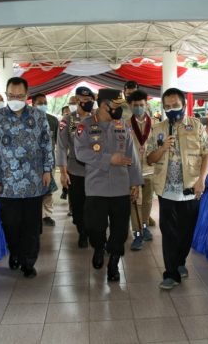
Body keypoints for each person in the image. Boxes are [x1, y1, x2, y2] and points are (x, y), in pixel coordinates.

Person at [0, 77, 53, 278]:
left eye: (19, 96)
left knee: (31, 226)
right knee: (11, 224)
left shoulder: (39, 117)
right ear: (6, 95)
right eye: (11, 95)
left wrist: (47, 170)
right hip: (6, 184)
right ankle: (15, 252)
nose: (15, 99)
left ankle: (28, 262)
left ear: (27, 96)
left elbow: (47, 145)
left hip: (33, 182)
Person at [147, 88, 208, 290]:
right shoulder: (157, 129)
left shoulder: (196, 126)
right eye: (167, 106)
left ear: (184, 104)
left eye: (175, 105)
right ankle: (171, 273)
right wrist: (162, 148)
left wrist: (202, 180)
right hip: (165, 190)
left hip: (190, 189)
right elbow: (149, 159)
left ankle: (181, 260)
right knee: (168, 232)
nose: (171, 109)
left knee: (186, 232)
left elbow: (207, 154)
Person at [74, 88, 143, 281]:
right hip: (96, 187)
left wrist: (135, 182)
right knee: (94, 227)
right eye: (115, 105)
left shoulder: (122, 126)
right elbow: (80, 153)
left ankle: (113, 261)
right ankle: (98, 247)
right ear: (104, 105)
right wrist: (108, 159)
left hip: (121, 187)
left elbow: (132, 156)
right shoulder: (84, 126)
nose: (119, 109)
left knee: (120, 230)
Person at [56, 86, 95, 248]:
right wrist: (63, 173)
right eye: (83, 100)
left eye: (89, 100)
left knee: (95, 205)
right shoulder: (69, 120)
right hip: (76, 171)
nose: (86, 103)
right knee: (79, 206)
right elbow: (62, 147)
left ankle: (94, 233)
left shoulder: (98, 118)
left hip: (96, 171)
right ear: (77, 100)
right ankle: (82, 232)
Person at [126, 89, 154, 250]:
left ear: (146, 104)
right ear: (130, 106)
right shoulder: (125, 125)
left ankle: (144, 226)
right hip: (133, 171)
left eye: (141, 105)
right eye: (135, 105)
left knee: (148, 201)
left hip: (151, 169)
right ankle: (137, 235)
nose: (138, 108)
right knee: (135, 202)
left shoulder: (155, 125)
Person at [32, 93, 59, 227]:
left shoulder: (53, 120)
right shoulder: (27, 119)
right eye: (40, 103)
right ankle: (36, 215)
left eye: (45, 102)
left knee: (48, 190)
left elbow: (58, 142)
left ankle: (47, 215)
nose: (43, 105)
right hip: (32, 164)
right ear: (33, 104)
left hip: (49, 162)